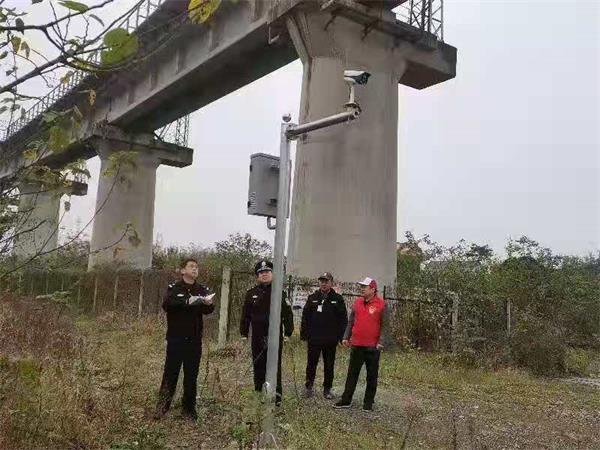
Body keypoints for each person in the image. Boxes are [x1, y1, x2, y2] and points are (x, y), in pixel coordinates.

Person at [155, 258, 215, 420]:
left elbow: (208, 311)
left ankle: (189, 409)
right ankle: (162, 407)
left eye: (197, 267)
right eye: (191, 266)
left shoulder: (202, 289)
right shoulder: (174, 288)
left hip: (194, 339)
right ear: (183, 271)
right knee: (170, 373)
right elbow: (167, 305)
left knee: (191, 375)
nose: (195, 269)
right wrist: (187, 302)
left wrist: (208, 303)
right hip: (176, 338)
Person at [240, 260, 294, 405]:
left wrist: (288, 333)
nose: (264, 274)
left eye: (267, 272)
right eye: (261, 272)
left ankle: (276, 397)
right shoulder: (251, 293)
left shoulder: (279, 292)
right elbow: (246, 315)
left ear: (273, 274)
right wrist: (244, 333)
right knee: (258, 365)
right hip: (257, 335)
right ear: (257, 276)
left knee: (274, 366)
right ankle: (259, 394)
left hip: (274, 335)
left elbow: (288, 314)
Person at [334, 277, 387, 412]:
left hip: (372, 346)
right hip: (357, 344)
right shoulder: (357, 302)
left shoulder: (381, 304)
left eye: (365, 287)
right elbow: (351, 321)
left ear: (373, 289)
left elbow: (385, 326)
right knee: (352, 374)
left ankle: (368, 403)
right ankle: (346, 400)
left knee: (371, 376)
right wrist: (346, 337)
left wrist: (381, 341)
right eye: (361, 287)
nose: (362, 289)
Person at [300, 272, 347, 399]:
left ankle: (327, 389)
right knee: (311, 364)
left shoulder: (337, 299)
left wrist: (342, 337)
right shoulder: (313, 297)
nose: (324, 283)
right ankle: (309, 387)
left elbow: (343, 319)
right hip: (314, 338)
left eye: (326, 281)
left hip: (330, 339)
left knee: (329, 365)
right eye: (322, 281)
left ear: (331, 283)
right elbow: (305, 317)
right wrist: (304, 334)